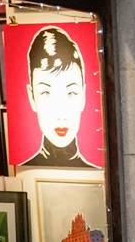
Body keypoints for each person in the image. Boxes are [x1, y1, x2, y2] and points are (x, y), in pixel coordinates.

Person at [20, 26, 95, 168]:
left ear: (83, 95)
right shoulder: (26, 171)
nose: (61, 114)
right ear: (32, 97)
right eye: (46, 93)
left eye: (71, 93)